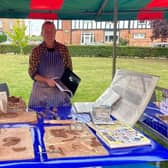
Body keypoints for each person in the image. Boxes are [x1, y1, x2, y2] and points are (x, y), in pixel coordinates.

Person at [28, 21, 72, 109]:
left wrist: (68, 86)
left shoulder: (63, 49)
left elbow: (69, 70)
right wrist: (46, 80)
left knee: (61, 119)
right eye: (46, 31)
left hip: (59, 94)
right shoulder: (36, 51)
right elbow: (32, 72)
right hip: (40, 95)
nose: (49, 34)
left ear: (55, 32)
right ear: (42, 33)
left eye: (52, 31)